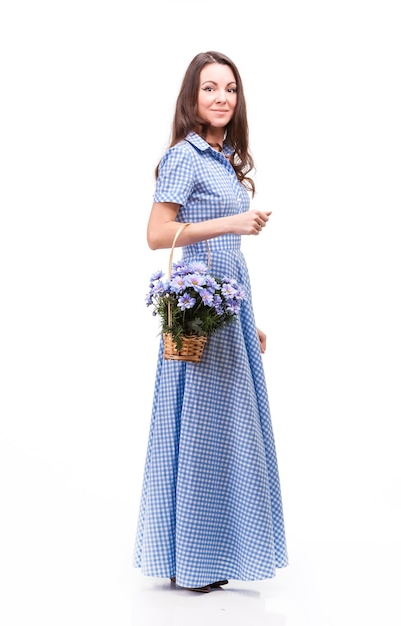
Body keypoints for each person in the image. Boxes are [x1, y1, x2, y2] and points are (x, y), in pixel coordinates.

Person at [133, 51, 288, 592]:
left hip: (228, 313)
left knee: (224, 434)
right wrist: (234, 220)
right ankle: (194, 561)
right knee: (199, 433)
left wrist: (251, 317)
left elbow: (227, 257)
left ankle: (210, 554)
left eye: (230, 89)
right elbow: (157, 234)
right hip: (198, 321)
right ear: (191, 98)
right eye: (210, 89)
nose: (221, 98)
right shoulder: (184, 157)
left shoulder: (223, 159)